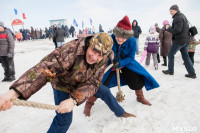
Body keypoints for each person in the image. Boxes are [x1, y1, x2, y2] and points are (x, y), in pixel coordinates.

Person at [0, 32, 128, 133]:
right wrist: (14, 93)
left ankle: (121, 112)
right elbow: (44, 70)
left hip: (83, 83)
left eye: (99, 55)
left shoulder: (103, 57)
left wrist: (73, 100)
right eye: (93, 51)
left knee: (104, 91)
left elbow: (94, 82)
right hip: (63, 85)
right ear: (89, 44)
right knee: (64, 119)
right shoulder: (70, 50)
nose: (94, 57)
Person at [84, 16, 160, 117]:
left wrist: (121, 63)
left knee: (136, 79)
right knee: (102, 84)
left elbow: (131, 57)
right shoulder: (110, 39)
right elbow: (103, 54)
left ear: (128, 37)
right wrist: (112, 61)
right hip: (110, 65)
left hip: (126, 64)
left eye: (123, 37)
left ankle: (140, 97)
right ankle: (89, 104)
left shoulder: (132, 41)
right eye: (117, 36)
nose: (119, 39)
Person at [162, 5, 197, 79]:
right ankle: (192, 73)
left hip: (180, 40)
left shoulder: (178, 18)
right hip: (186, 40)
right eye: (170, 11)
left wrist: (168, 29)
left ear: (176, 10)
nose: (170, 13)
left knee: (170, 54)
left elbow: (177, 30)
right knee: (185, 56)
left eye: (171, 11)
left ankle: (170, 70)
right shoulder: (182, 16)